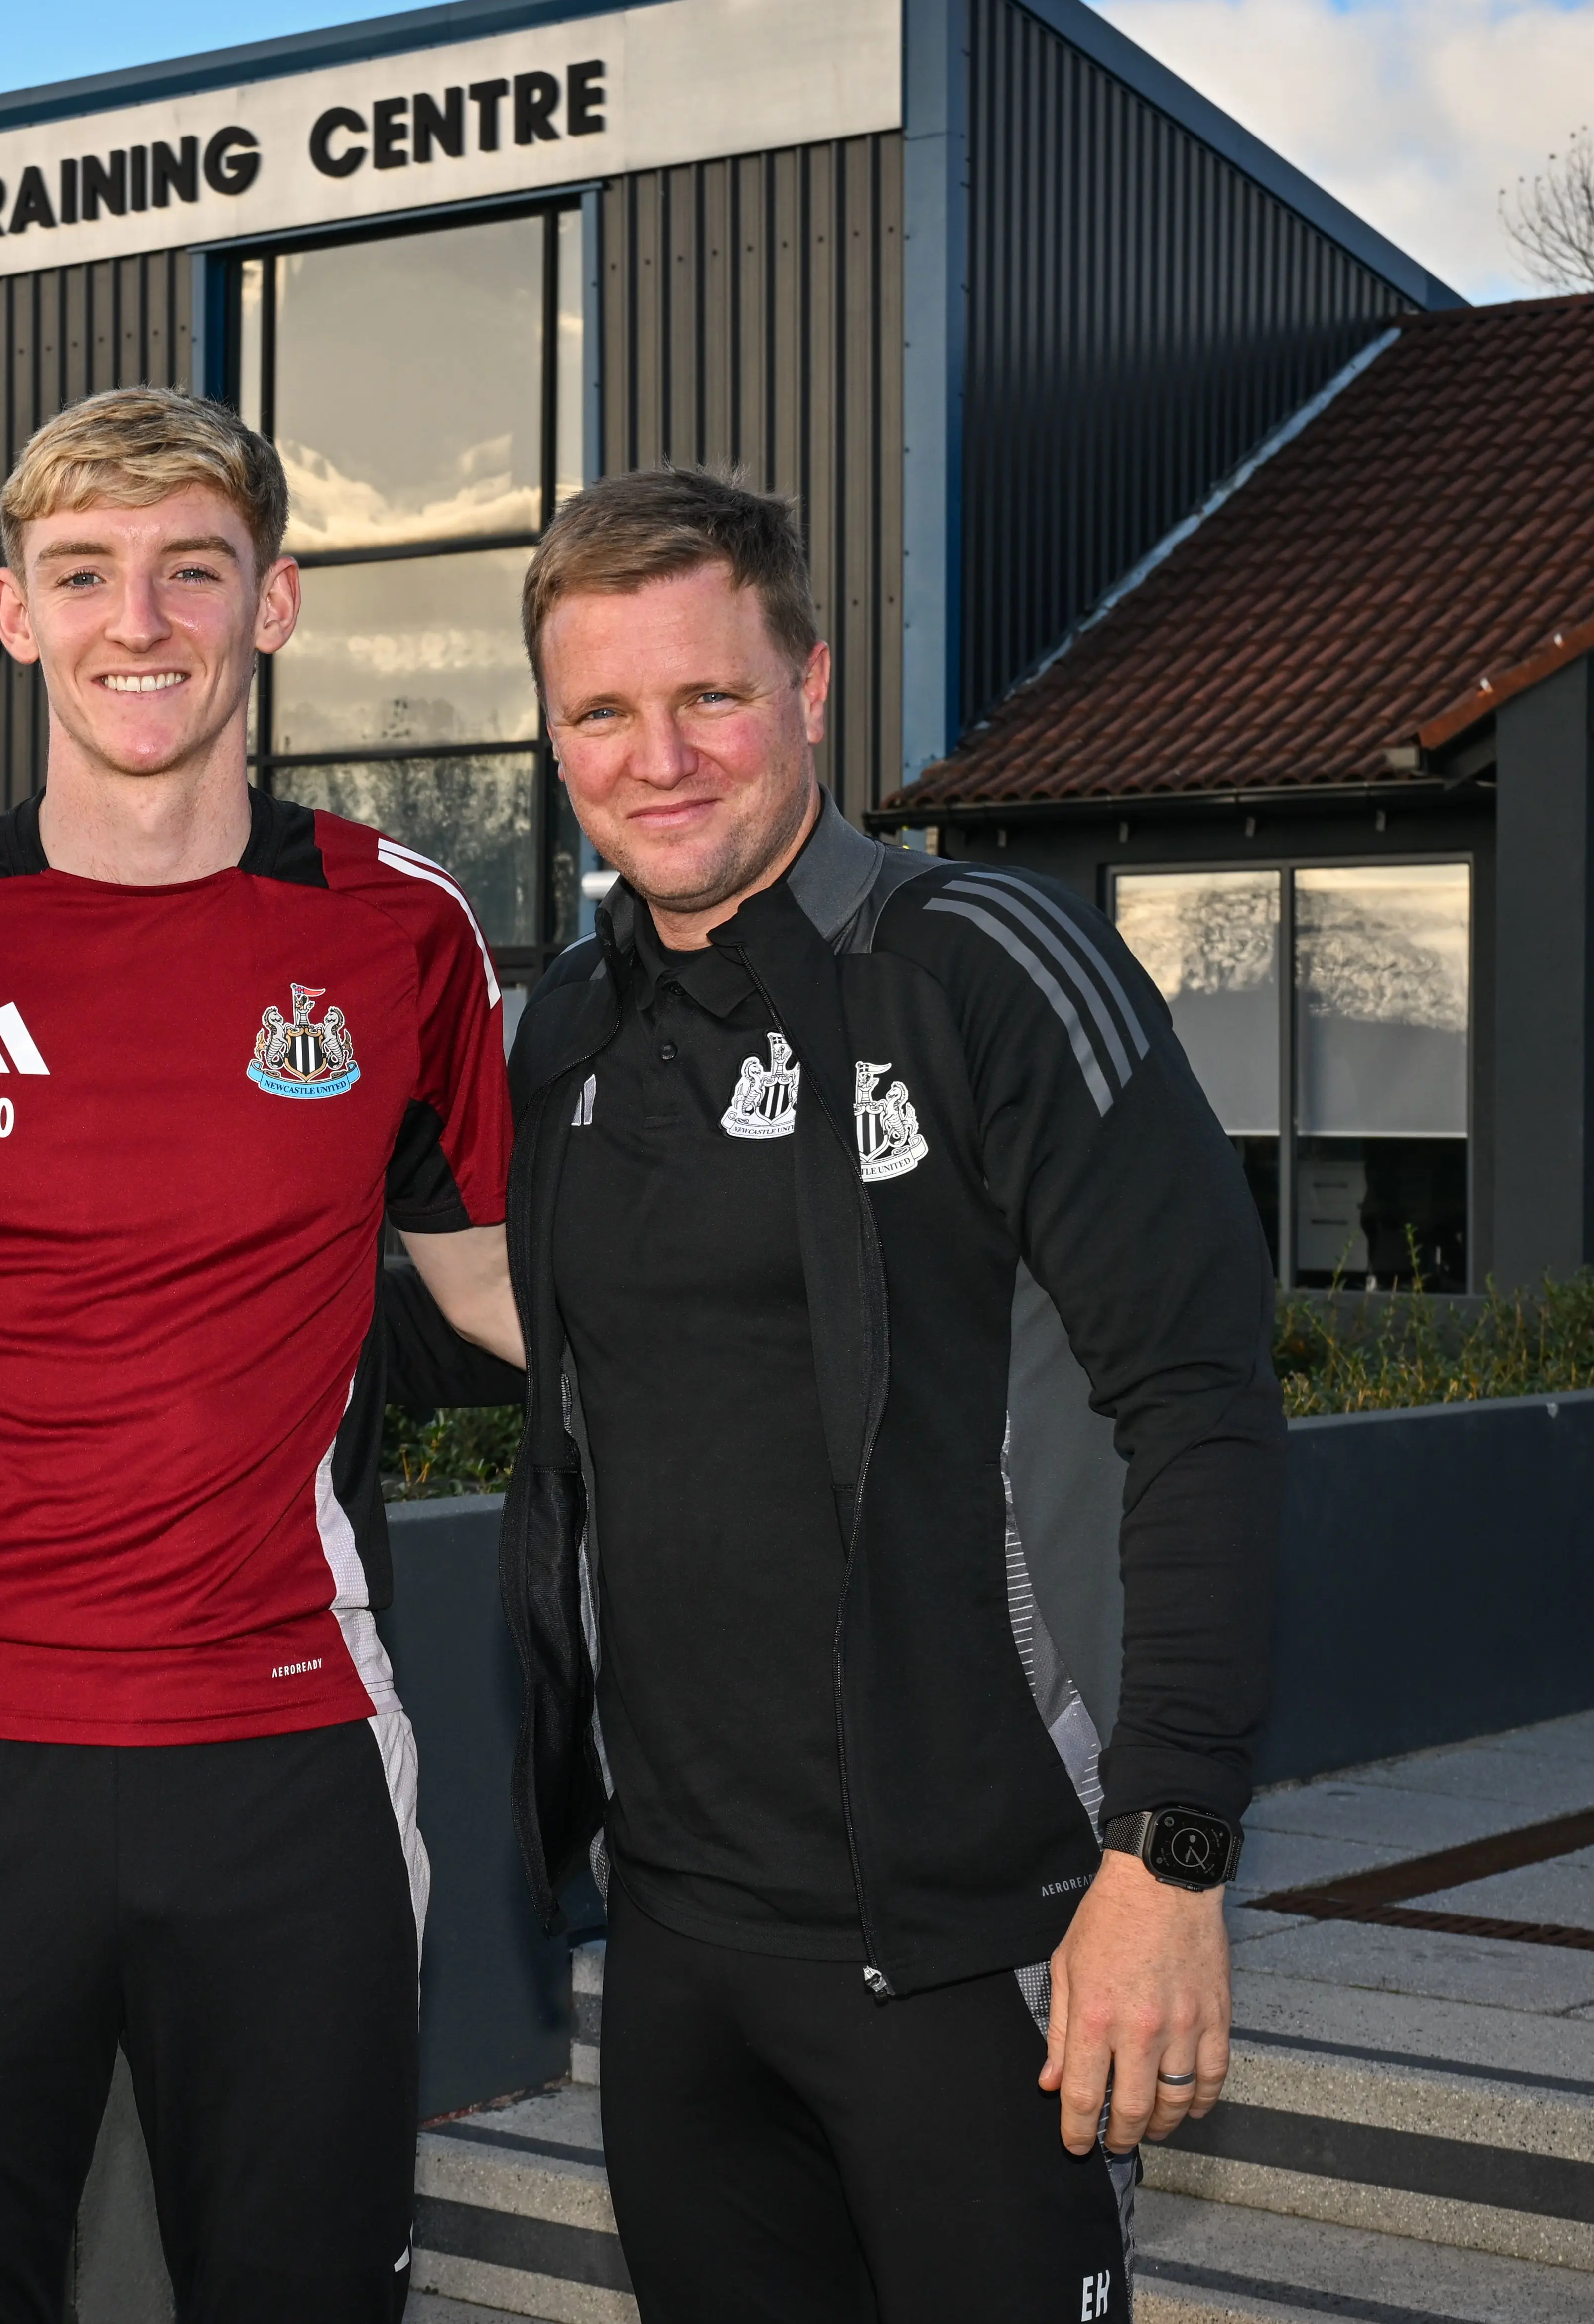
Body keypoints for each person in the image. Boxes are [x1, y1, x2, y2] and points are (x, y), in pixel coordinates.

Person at [441, 465, 1283, 2320]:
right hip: (671, 1945)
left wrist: (1167, 1857)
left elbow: (1200, 1407)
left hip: (976, 1944)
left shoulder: (981, 965)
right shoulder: (562, 1029)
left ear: (809, 687)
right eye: (601, 711)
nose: (656, 756)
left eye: (709, 696)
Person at [0, 386, 529, 2324]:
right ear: (11, 613)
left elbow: (514, 1303)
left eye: (192, 570)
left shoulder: (405, 938)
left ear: (275, 606)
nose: (138, 621)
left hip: (286, 1761)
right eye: (83, 574)